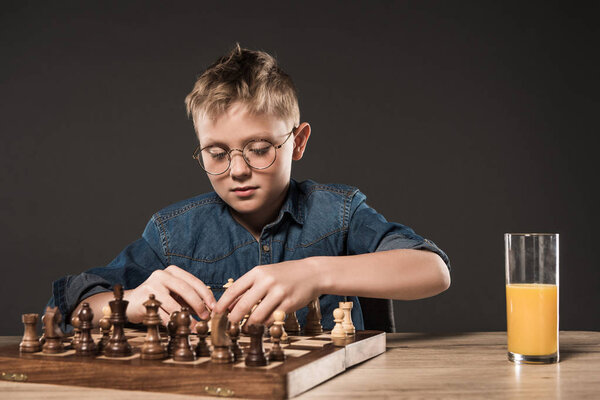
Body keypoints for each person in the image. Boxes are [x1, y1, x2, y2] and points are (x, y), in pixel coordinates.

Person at [48, 44, 451, 332]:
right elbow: (69, 306)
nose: (238, 170)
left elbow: (432, 269)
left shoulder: (338, 214)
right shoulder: (173, 234)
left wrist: (315, 272)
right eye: (217, 153)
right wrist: (131, 302)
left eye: (259, 149)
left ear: (299, 140)